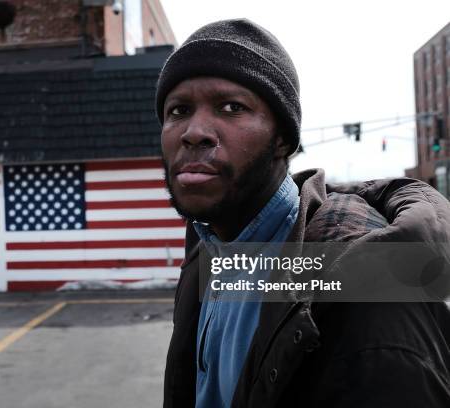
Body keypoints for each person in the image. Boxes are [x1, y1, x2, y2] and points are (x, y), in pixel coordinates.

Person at [156, 19, 450, 407]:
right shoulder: (208, 250)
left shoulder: (366, 287)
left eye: (231, 107)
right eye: (179, 110)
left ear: (283, 139)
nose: (194, 131)